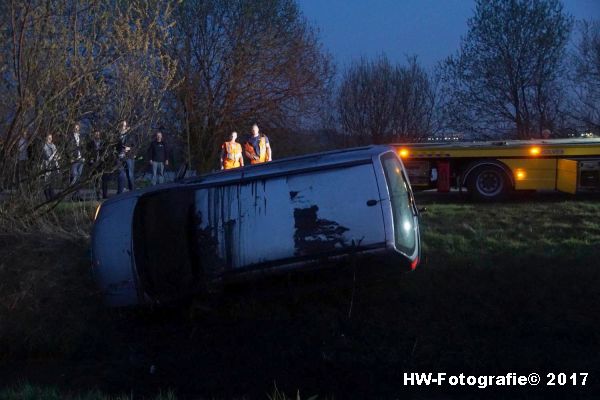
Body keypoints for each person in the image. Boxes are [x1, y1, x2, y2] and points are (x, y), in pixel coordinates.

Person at [88, 130, 110, 200]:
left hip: (102, 163)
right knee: (96, 180)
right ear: (94, 135)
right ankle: (98, 195)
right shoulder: (90, 143)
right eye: (96, 134)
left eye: (98, 134)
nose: (97, 135)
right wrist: (91, 161)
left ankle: (104, 195)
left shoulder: (103, 143)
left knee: (103, 179)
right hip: (94, 163)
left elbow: (106, 152)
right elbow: (88, 153)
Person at [116, 120, 136, 193]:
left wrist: (129, 148)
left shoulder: (130, 135)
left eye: (124, 125)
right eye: (122, 125)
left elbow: (134, 146)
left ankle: (132, 191)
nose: (123, 127)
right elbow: (114, 146)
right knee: (121, 174)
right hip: (120, 157)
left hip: (129, 157)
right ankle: (120, 192)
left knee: (130, 175)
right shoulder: (117, 135)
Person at [68, 122, 85, 200]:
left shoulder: (81, 137)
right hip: (74, 159)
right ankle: (71, 195)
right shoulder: (70, 137)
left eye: (77, 127)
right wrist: (70, 157)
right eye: (75, 127)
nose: (76, 129)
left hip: (80, 159)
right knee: (74, 176)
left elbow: (83, 148)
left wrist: (84, 156)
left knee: (79, 178)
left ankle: (78, 195)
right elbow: (68, 148)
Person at [41, 134, 59, 201]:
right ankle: (47, 196)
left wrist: (57, 157)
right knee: (47, 181)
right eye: (49, 138)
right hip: (47, 165)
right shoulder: (44, 146)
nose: (50, 139)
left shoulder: (53, 145)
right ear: (46, 138)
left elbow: (56, 155)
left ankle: (52, 196)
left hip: (53, 165)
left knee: (52, 181)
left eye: (51, 138)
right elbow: (48, 158)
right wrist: (54, 154)